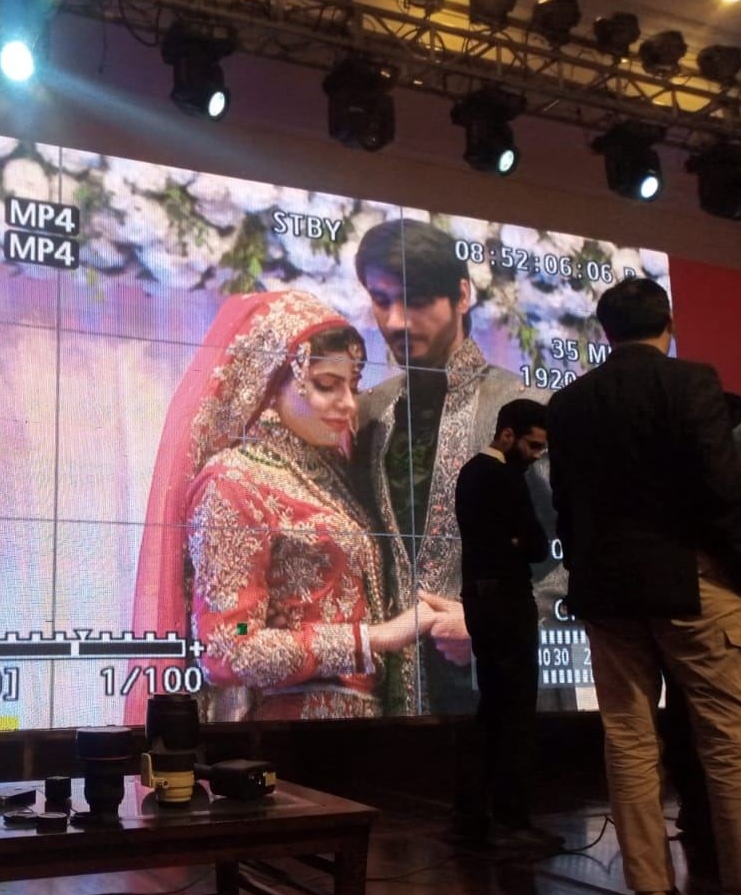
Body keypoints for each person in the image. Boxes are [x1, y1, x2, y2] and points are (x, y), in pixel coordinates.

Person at [129, 290, 448, 723]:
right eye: (326, 385)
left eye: (352, 386)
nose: (348, 403)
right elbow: (228, 643)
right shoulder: (235, 480)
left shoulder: (330, 477)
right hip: (291, 732)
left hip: (361, 727)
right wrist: (375, 638)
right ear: (271, 378)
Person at [546, 277, 741, 895]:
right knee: (730, 742)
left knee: (629, 740)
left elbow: (565, 507)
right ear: (669, 324)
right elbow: (722, 491)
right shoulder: (692, 382)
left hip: (607, 592)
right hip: (693, 582)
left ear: (605, 332)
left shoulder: (568, 402)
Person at [352, 218, 573, 714]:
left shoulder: (527, 408)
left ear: (462, 295)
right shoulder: (369, 414)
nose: (396, 321)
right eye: (382, 300)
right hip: (390, 702)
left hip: (509, 690)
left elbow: (587, 548)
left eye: (416, 301)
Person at [450, 398, 563, 850]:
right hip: (508, 605)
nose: (536, 456)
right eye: (533, 446)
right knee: (514, 713)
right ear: (507, 434)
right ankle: (511, 821)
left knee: (494, 709)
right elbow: (536, 546)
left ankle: (473, 816)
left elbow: (529, 542)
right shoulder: (504, 477)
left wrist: (521, 539)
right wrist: (521, 540)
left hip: (481, 602)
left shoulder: (470, 473)